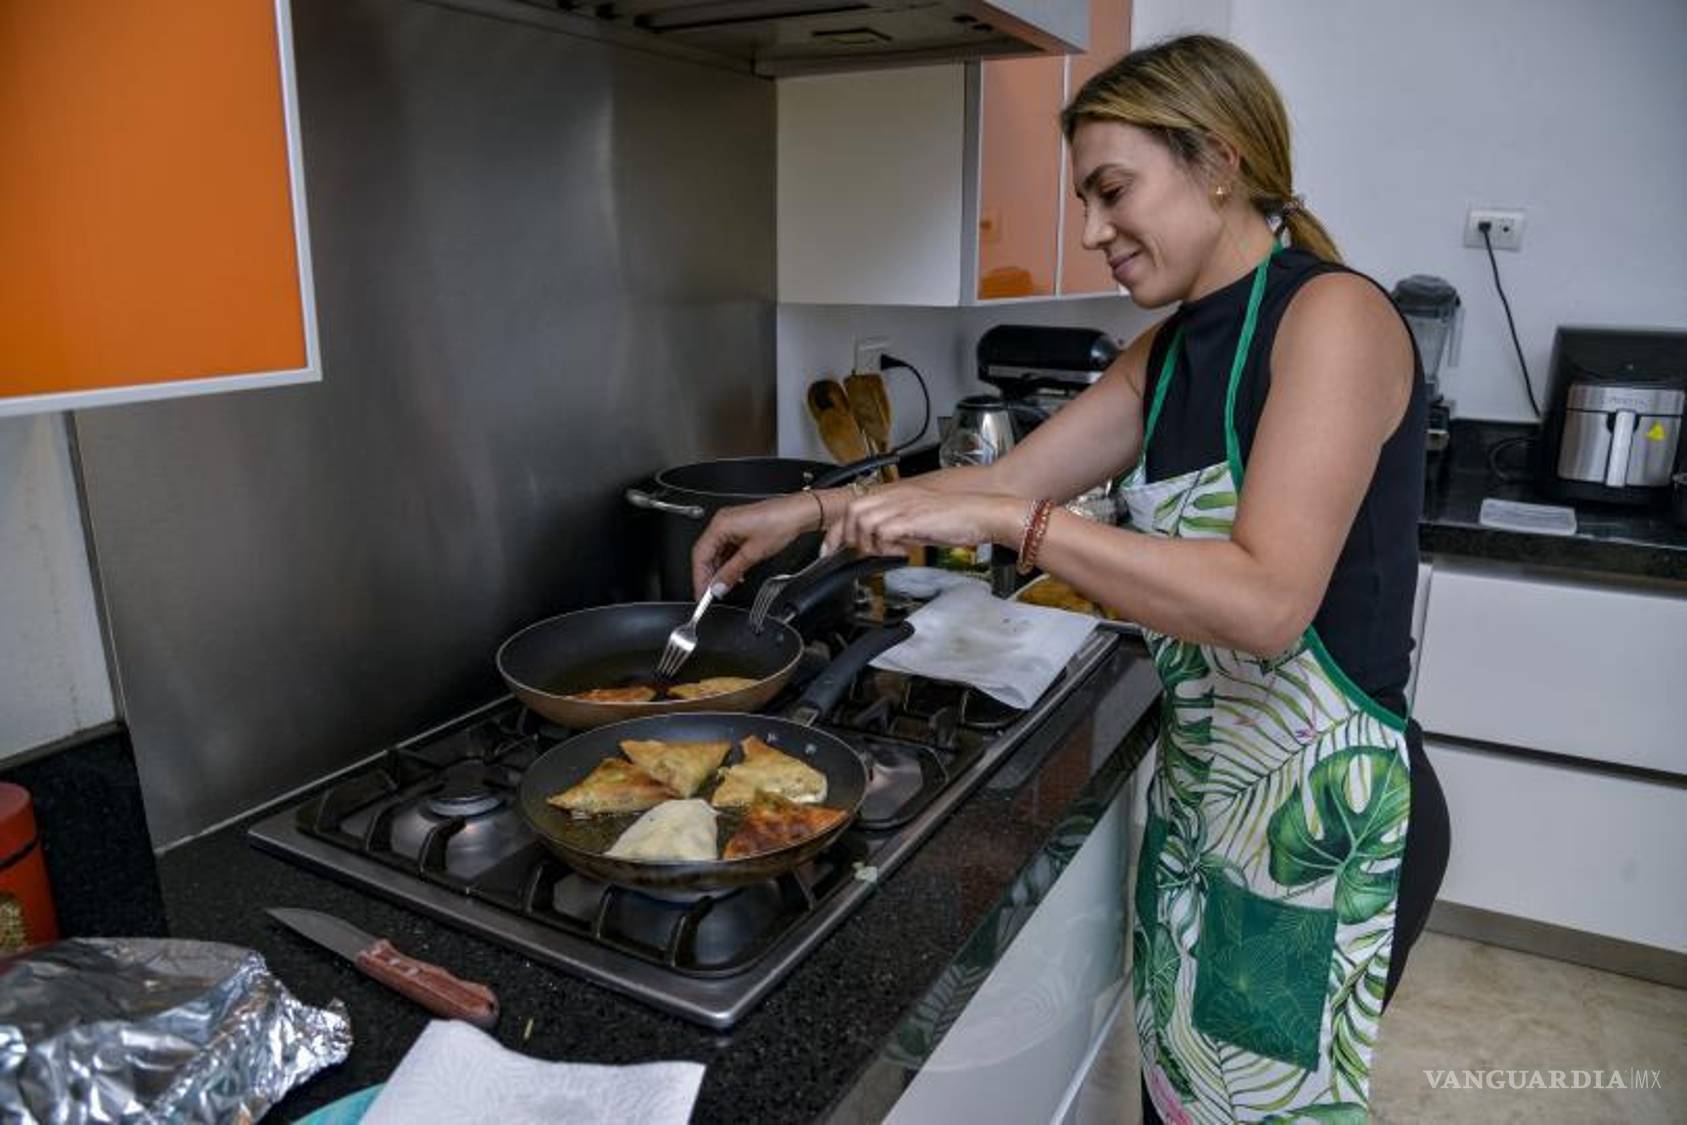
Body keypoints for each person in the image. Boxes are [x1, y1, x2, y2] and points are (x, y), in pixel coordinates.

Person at [693, 34, 1450, 1124]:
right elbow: (1004, 476)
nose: (1091, 232)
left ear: (1220, 161)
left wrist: (1015, 522)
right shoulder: (1174, 346)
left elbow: (1264, 600)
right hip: (1207, 811)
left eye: (1111, 191)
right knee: (1176, 1104)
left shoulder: (1332, 317)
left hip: (1314, 833)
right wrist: (803, 509)